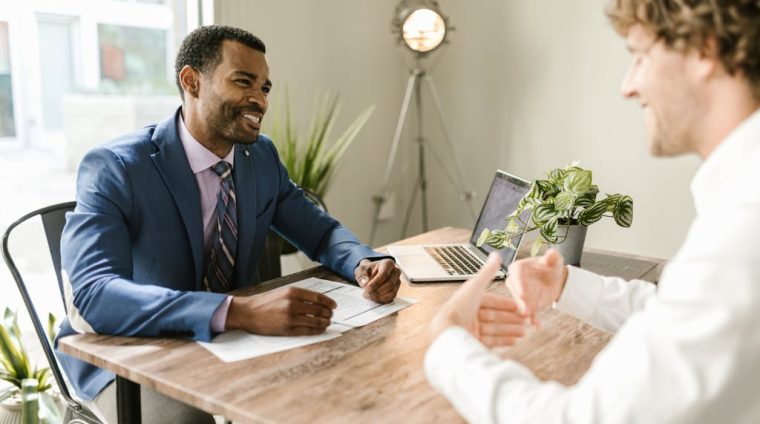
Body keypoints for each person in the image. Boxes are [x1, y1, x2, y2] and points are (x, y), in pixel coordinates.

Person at [425, 0, 760, 422]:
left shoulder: (743, 229)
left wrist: (446, 346)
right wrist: (566, 286)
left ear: (703, 51)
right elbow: (685, 313)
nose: (628, 85)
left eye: (639, 57)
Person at [57, 25, 401, 423]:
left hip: (232, 343)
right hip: (130, 356)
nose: (259, 100)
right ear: (192, 81)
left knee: (343, 383)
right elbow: (93, 295)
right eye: (244, 82)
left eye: (265, 88)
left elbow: (320, 231)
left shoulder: (261, 158)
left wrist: (363, 262)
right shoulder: (117, 167)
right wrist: (238, 311)